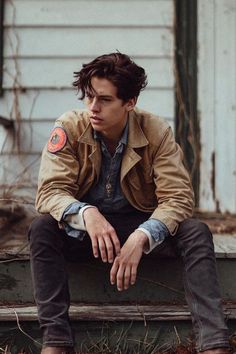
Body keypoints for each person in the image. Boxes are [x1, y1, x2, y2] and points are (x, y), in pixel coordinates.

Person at [29, 52, 231, 354]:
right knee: (42, 228)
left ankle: (214, 343)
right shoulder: (70, 127)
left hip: (139, 227)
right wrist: (87, 213)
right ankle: (56, 342)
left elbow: (177, 198)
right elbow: (49, 192)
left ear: (130, 102)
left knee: (196, 231)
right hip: (88, 235)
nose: (93, 108)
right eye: (89, 97)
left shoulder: (156, 131)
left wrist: (142, 236)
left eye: (105, 100)